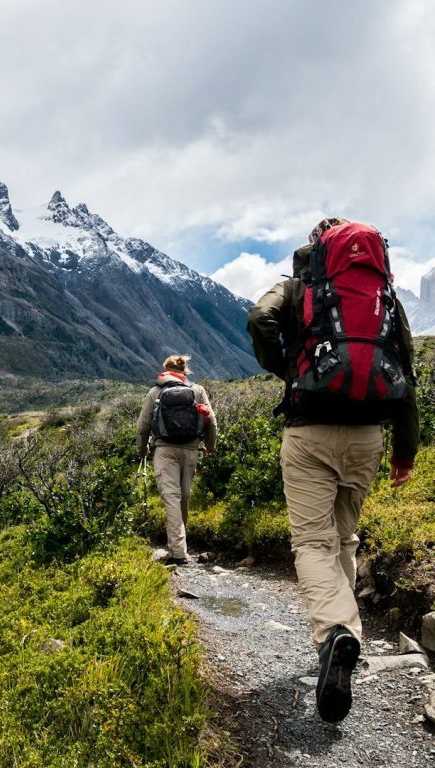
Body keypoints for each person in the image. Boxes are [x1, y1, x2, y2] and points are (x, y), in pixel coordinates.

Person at [247, 217, 419, 723]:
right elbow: (405, 368)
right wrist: (405, 453)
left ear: (317, 247)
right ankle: (345, 637)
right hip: (368, 436)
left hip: (310, 431)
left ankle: (335, 635)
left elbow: (260, 319)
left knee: (312, 543)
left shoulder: (300, 286)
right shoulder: (383, 296)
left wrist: (287, 368)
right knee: (344, 538)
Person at [136, 354, 217, 566]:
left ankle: (178, 552)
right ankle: (180, 546)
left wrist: (143, 450)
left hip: (165, 450)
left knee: (171, 497)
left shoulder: (155, 391)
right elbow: (211, 420)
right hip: (191, 450)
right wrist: (210, 446)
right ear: (185, 371)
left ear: (165, 369)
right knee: (184, 497)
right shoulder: (197, 390)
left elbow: (142, 426)